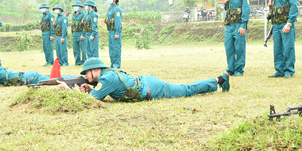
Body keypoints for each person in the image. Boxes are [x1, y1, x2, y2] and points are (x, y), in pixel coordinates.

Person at [59, 58, 230, 101]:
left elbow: (92, 101)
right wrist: (90, 89)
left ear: (95, 70)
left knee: (186, 89)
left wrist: (67, 91)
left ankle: (219, 80)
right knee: (185, 88)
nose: (86, 78)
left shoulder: (106, 79)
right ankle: (217, 81)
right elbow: (98, 93)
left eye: (86, 74)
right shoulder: (106, 76)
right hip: (147, 83)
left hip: (153, 89)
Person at [267, 0, 299, 78]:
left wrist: (289, 23)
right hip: (276, 24)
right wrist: (270, 5)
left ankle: (288, 70)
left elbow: (294, 7)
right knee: (277, 48)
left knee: (288, 47)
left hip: (286, 23)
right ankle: (279, 70)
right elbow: (275, 7)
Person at [0, 59, 75, 86]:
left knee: (52, 80)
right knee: (50, 77)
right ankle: (71, 77)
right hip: (29, 76)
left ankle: (71, 78)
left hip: (29, 78)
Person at [223, 0, 250, 76]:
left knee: (239, 48)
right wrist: (225, 3)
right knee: (229, 48)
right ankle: (230, 68)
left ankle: (239, 69)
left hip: (239, 25)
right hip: (229, 26)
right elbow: (227, 10)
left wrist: (243, 25)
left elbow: (246, 11)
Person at [105, 0, 122, 68]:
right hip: (110, 31)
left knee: (116, 48)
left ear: (115, 0)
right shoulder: (110, 8)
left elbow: (118, 22)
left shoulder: (117, 9)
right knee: (111, 48)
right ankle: (112, 64)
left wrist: (117, 32)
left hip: (115, 31)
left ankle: (116, 64)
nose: (109, 0)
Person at [70, 0, 87, 66]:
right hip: (74, 34)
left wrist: (83, 34)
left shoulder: (83, 14)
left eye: (76, 6)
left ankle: (84, 62)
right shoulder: (73, 15)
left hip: (81, 34)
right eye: (74, 6)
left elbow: (85, 26)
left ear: (80, 7)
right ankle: (77, 61)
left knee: (83, 49)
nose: (75, 7)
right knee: (76, 49)